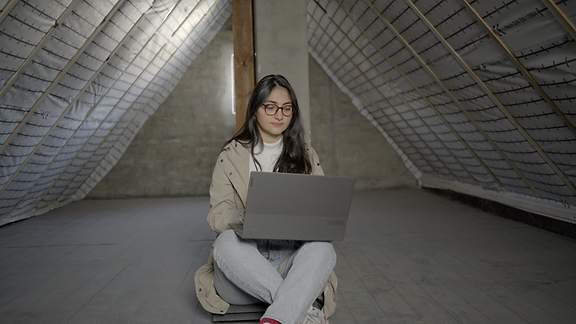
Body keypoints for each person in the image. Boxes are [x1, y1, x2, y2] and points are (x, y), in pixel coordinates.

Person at [194, 74, 338, 324]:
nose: (279, 115)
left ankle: (278, 318)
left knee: (324, 249)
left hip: (290, 260)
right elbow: (216, 217)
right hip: (246, 264)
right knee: (225, 243)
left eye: (286, 108)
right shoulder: (230, 156)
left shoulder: (306, 154)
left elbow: (321, 213)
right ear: (255, 110)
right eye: (270, 107)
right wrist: (250, 215)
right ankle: (303, 313)